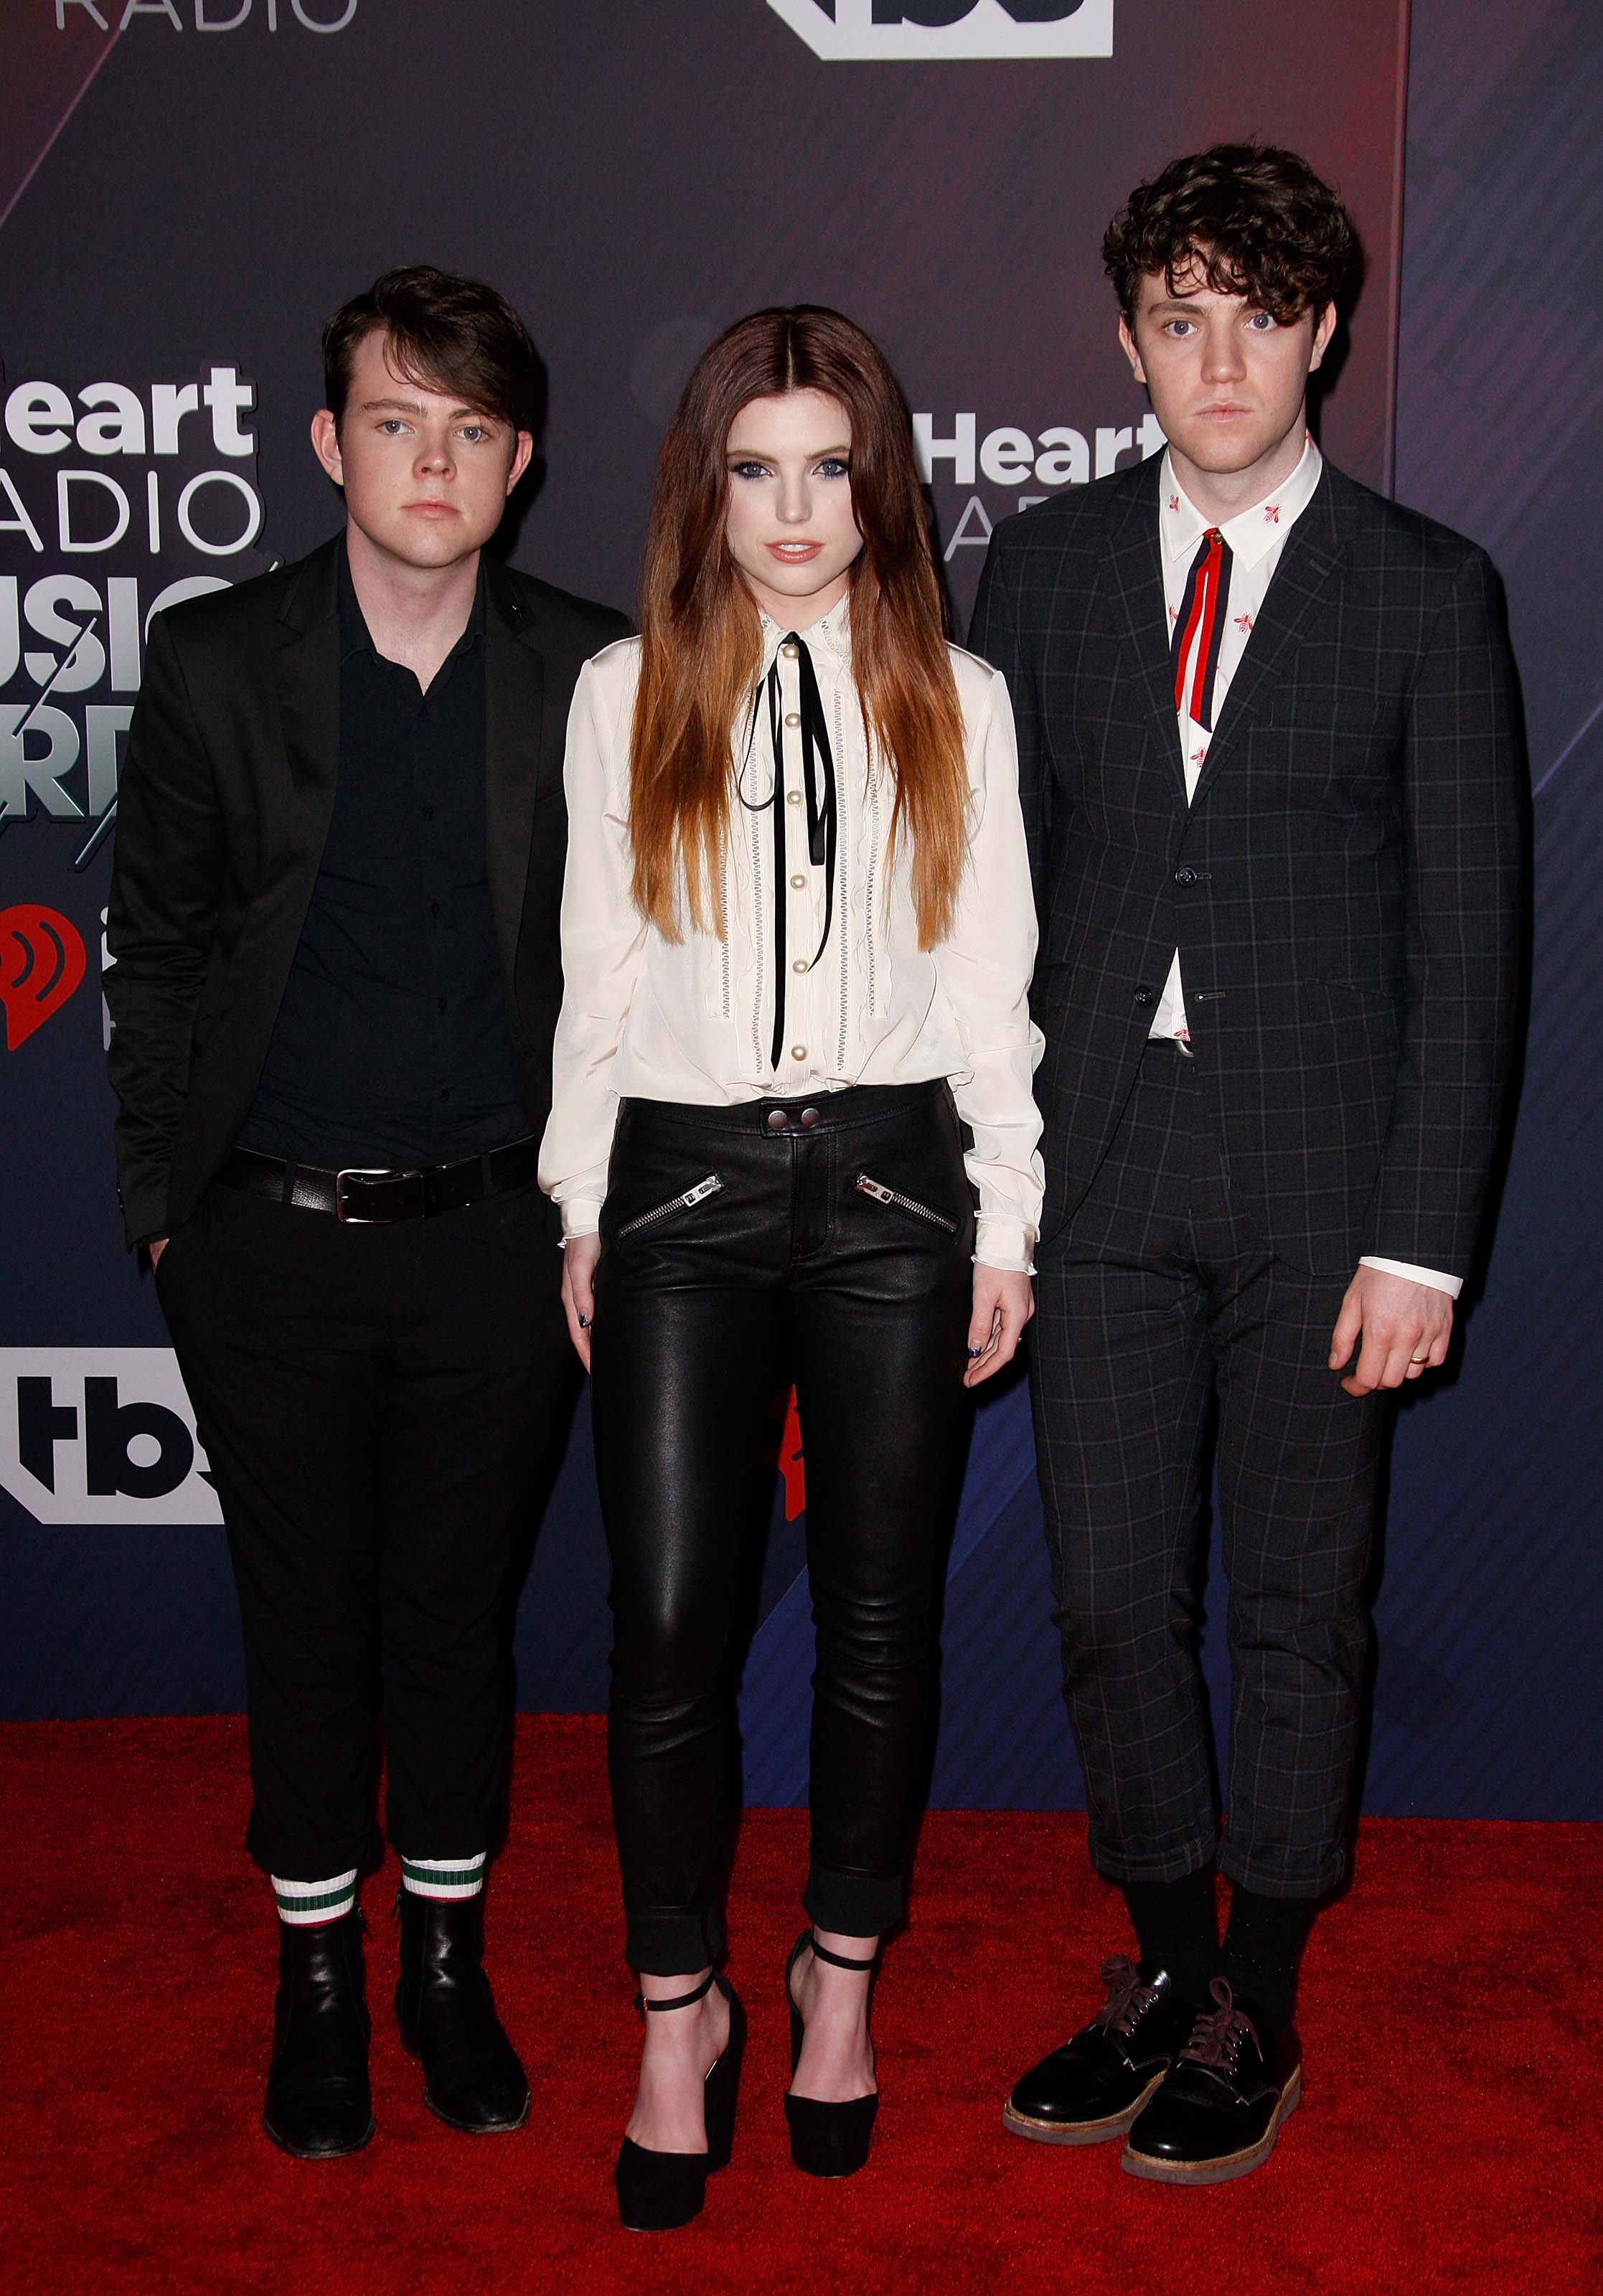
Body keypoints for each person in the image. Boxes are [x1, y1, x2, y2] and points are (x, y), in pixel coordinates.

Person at [969, 145, 1523, 2185]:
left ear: (1324, 333)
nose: (1220, 360)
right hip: (1095, 1172)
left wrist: (1423, 1244)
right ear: (1126, 341)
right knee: (1111, 1605)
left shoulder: (1423, 586)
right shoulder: (1033, 571)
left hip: (1324, 1187)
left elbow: (1472, 944)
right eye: (1179, 320)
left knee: (1296, 1606)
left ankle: (1254, 2006)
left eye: (1259, 317)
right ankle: (1158, 1959)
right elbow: (979, 913)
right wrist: (986, 1200)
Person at [105, 266, 628, 2160]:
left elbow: (645, 970)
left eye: (470, 429)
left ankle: (443, 1969)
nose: (433, 460)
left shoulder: (594, 669)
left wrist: (595, 1210)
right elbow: (151, 950)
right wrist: (164, 1207)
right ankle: (314, 1983)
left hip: (500, 1243)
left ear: (519, 462)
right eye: (395, 422)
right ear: (329, 445)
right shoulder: (218, 662)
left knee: (455, 1627)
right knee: (301, 1623)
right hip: (263, 1242)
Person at [540, 305, 1042, 2229]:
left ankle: (838, 1980)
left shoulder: (959, 697)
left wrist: (1003, 1214)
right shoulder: (626, 686)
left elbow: (989, 985)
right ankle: (679, 2011)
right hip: (677, 1188)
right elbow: (598, 976)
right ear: (704, 485)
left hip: (896, 1185)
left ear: (877, 482)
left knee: (876, 1618)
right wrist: (585, 1202)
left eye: (828, 465)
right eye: (754, 467)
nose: (793, 507)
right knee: (667, 1623)